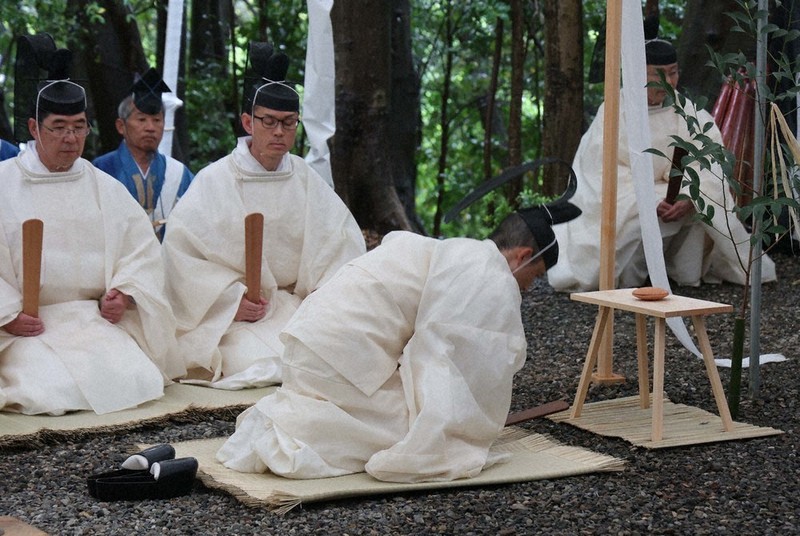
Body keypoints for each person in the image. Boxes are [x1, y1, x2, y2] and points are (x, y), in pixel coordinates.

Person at [216, 199, 581, 483]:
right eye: (533, 275)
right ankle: (287, 429)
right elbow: (444, 359)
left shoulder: (456, 250)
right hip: (336, 355)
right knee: (411, 432)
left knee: (399, 409)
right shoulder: (488, 272)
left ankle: (292, 416)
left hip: (307, 343)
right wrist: (453, 424)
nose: (529, 286)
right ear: (522, 256)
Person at [162, 42, 365, 390]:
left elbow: (340, 248)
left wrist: (320, 302)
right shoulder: (216, 179)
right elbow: (181, 257)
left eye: (288, 123)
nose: (279, 132)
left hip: (296, 309)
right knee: (256, 363)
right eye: (268, 121)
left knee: (341, 354)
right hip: (235, 317)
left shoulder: (304, 179)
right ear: (247, 122)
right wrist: (228, 301)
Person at [0, 35, 185, 416]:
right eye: (58, 127)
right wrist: (8, 314)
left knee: (138, 380)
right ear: (34, 128)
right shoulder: (5, 181)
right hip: (27, 324)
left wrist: (125, 291)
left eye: (79, 127)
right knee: (45, 389)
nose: (71, 139)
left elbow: (140, 249)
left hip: (90, 318)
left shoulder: (101, 185)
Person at [547, 28, 776, 292]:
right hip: (631, 196)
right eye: (658, 74)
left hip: (677, 196)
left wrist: (691, 196)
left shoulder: (689, 113)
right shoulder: (614, 111)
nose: (669, 81)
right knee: (633, 222)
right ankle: (624, 279)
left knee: (708, 205)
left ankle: (677, 270)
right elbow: (598, 171)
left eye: (673, 72)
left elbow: (712, 161)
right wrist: (649, 200)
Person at [93, 68, 194, 240]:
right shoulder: (100, 170)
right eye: (141, 119)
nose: (150, 127)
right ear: (121, 126)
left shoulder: (178, 174)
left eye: (157, 120)